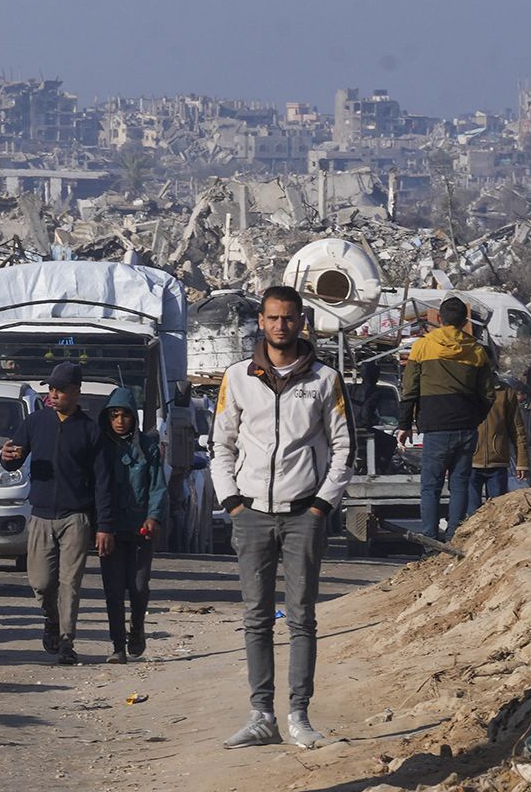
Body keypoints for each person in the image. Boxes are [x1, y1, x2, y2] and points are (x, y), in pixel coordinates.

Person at [213, 286, 353, 751]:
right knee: (255, 618)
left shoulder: (324, 380)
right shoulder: (237, 377)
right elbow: (222, 445)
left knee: (301, 619)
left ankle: (299, 716)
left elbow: (343, 448)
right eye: (273, 318)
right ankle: (260, 715)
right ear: (261, 321)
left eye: (289, 318)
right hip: (250, 513)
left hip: (302, 516)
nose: (280, 326)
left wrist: (321, 506)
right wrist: (232, 501)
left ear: (301, 322)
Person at [0, 362, 116, 665]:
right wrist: (7, 457)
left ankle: (66, 642)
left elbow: (103, 483)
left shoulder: (91, 431)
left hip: (76, 518)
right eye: (51, 389)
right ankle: (50, 618)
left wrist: (104, 526)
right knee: (40, 582)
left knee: (70, 584)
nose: (53, 394)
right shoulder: (36, 422)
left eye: (60, 389)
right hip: (40, 516)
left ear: (76, 392)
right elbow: (14, 458)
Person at [396, 297, 494, 540]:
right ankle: (454, 536)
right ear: (464, 321)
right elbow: (488, 394)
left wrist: (405, 424)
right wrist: (475, 418)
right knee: (460, 484)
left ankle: (430, 541)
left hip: (435, 428)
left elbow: (410, 388)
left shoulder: (422, 346)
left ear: (439, 319)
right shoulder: (477, 350)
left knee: (431, 487)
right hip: (466, 427)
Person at [99, 388, 166, 664]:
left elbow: (157, 486)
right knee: (113, 590)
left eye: (125, 415)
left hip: (140, 529)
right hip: (111, 529)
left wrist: (154, 517)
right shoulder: (102, 446)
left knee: (137, 586)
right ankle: (117, 645)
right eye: (114, 415)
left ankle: (136, 629)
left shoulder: (148, 446)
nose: (119, 421)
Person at [469, 380, 529, 503]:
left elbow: (517, 429)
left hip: (498, 461)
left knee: (497, 510)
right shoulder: (465, 387)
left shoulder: (505, 391)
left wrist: (522, 461)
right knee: (471, 514)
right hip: (469, 462)